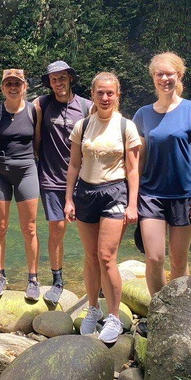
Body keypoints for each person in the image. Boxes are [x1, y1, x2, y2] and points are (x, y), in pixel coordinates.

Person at [0, 60, 91, 304]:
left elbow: (104, 128)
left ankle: (42, 278)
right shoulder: (28, 107)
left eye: (62, 78)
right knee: (16, 227)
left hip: (61, 176)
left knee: (79, 231)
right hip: (28, 175)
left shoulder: (72, 107)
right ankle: (13, 277)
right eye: (54, 79)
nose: (58, 83)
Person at [64, 72, 141, 344]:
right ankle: (93, 309)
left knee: (106, 256)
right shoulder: (82, 126)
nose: (105, 98)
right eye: (100, 93)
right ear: (93, 95)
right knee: (90, 257)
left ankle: (113, 316)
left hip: (115, 192)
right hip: (86, 192)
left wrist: (133, 203)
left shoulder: (126, 127)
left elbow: (133, 170)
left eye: (110, 93)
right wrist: (69, 199)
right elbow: (74, 164)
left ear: (117, 95)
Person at [132, 52, 191, 299]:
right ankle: (158, 308)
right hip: (150, 194)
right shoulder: (142, 114)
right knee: (154, 257)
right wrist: (132, 197)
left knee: (179, 260)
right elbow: (138, 160)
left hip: (184, 195)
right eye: (159, 74)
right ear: (153, 78)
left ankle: (178, 310)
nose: (164, 78)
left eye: (169, 73)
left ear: (179, 75)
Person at [0, 69, 42, 301]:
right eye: (8, 84)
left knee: (30, 228)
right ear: (2, 87)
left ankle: (33, 278)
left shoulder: (35, 111)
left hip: (26, 170)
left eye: (17, 83)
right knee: (0, 227)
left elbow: (37, 144)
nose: (13, 87)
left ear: (25, 86)